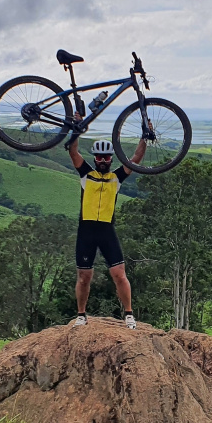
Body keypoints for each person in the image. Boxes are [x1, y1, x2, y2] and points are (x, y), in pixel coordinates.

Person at [67, 137, 146, 329]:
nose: (103, 160)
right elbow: (73, 151)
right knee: (84, 277)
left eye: (106, 157)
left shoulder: (116, 177)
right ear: (95, 159)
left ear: (112, 159)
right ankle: (81, 315)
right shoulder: (87, 174)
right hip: (86, 230)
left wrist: (145, 136)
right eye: (100, 157)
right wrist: (76, 129)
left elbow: (136, 158)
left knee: (119, 274)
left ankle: (128, 314)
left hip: (106, 230)